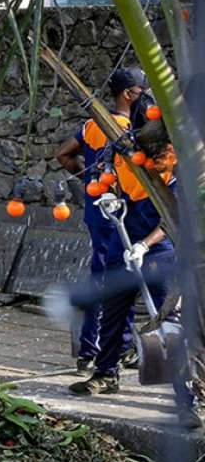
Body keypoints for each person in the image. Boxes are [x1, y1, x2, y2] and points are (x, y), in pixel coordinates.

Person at [67, 118, 201, 428]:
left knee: (170, 325)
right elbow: (110, 179)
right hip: (121, 241)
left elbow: (175, 221)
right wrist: (110, 195)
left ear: (168, 153)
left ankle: (186, 400)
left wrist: (144, 245)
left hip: (160, 250)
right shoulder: (128, 158)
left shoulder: (180, 173)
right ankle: (105, 374)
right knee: (113, 312)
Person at [55, 68, 148, 375]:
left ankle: (91, 351)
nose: (146, 99)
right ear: (128, 94)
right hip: (120, 215)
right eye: (142, 92)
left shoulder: (93, 124)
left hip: (98, 212)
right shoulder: (125, 129)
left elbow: (64, 155)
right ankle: (115, 348)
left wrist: (90, 181)